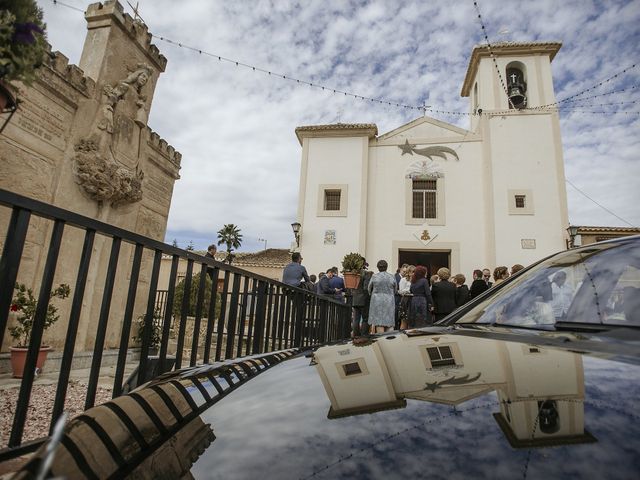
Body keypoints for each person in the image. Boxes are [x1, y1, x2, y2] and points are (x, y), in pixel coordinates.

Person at [367, 260, 397, 333]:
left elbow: (369, 289)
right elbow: (395, 290)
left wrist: (373, 295)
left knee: (379, 322)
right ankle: (389, 341)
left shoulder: (374, 277)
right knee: (389, 323)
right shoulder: (392, 276)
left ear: (378, 268)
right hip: (389, 301)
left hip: (377, 301)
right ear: (386, 267)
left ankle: (381, 340)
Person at [351, 263, 372, 337]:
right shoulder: (366, 274)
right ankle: (364, 335)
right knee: (365, 319)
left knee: (356, 319)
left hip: (355, 298)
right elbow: (366, 288)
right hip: (363, 299)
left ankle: (356, 335)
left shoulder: (352, 274)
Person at [398, 265, 415, 330]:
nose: (413, 273)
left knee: (412, 320)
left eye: (414, 272)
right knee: (404, 320)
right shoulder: (403, 280)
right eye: (412, 272)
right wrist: (409, 290)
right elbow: (401, 291)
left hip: (413, 300)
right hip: (405, 300)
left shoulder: (416, 280)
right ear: (408, 272)